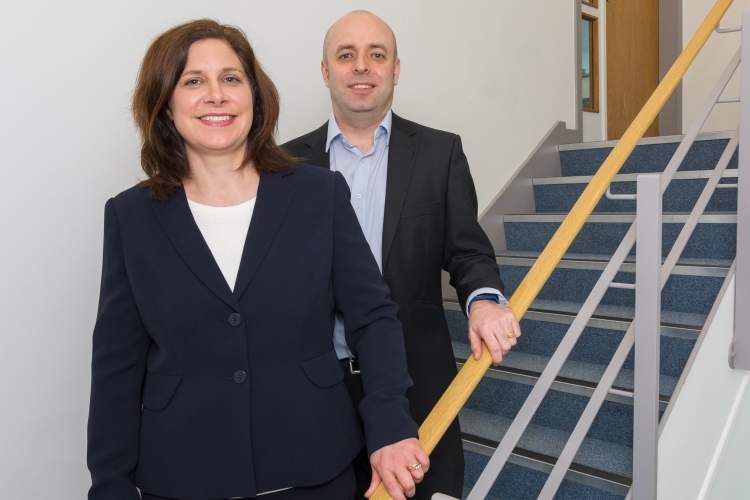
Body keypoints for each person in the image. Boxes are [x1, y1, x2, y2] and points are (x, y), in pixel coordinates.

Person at [87, 19, 429, 500]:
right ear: (165, 104)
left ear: (254, 94)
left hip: (315, 467)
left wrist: (391, 423)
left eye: (231, 78)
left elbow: (372, 317)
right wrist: (110, 485)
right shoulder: (131, 216)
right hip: (181, 476)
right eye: (193, 81)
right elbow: (116, 364)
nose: (216, 95)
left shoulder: (319, 194)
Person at [284, 10, 522, 499]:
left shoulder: (440, 153)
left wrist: (483, 300)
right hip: (316, 390)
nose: (361, 66)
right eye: (346, 55)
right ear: (326, 71)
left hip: (418, 383)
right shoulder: (283, 165)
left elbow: (468, 251)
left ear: (396, 69)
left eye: (376, 54)